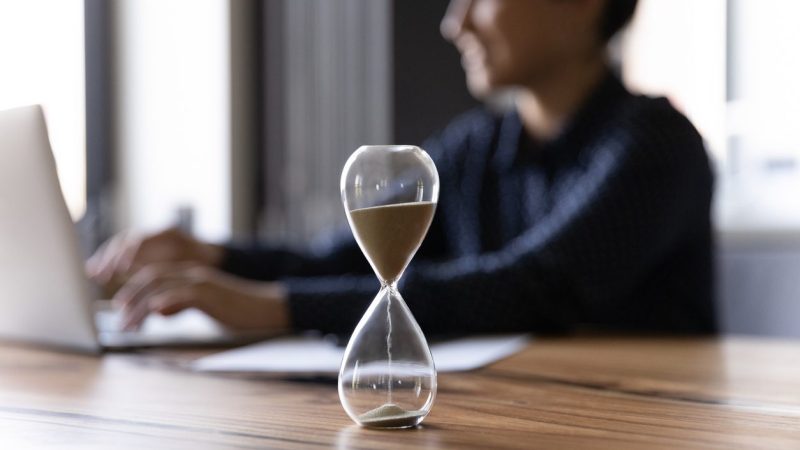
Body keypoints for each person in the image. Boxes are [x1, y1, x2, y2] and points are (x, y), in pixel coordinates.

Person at [88, 0, 716, 335]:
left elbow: (533, 286)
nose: (454, 22)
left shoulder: (657, 146)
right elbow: (339, 258)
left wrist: (276, 307)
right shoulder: (474, 150)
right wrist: (211, 258)